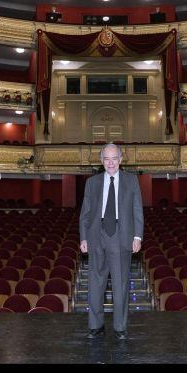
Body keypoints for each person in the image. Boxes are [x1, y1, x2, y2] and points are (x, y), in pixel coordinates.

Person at [79, 143, 144, 340]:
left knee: (120, 285)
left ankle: (120, 327)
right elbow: (85, 213)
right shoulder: (92, 182)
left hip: (121, 236)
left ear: (121, 159)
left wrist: (137, 236)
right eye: (106, 159)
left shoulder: (131, 181)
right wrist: (83, 237)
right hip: (96, 235)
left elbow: (137, 210)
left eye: (114, 158)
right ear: (101, 161)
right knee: (95, 284)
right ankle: (95, 326)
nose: (110, 162)